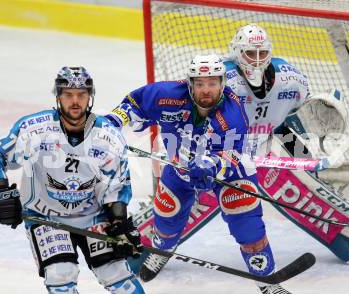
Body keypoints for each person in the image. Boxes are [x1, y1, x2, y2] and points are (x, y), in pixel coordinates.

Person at [106, 54, 292, 294]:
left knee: (248, 227)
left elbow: (235, 154)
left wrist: (213, 165)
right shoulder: (168, 95)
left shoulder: (233, 113)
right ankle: (163, 251)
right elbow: (134, 103)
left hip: (229, 174)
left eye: (212, 83)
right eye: (200, 83)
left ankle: (268, 282)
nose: (206, 90)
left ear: (222, 84)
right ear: (190, 83)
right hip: (180, 168)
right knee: (166, 217)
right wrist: (111, 122)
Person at [0, 67, 146, 294]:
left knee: (117, 275)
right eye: (68, 94)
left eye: (81, 94)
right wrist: (1, 193)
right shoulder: (33, 130)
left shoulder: (109, 136)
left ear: (90, 96)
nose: (75, 101)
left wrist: (118, 220)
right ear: (58, 97)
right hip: (45, 216)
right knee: (60, 274)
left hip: (93, 215)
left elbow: (116, 184)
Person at [226, 23, 349, 264]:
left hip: (269, 140)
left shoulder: (290, 77)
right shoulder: (220, 79)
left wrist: (311, 152)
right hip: (226, 147)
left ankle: (348, 235)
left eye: (262, 53)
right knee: (196, 192)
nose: (256, 61)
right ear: (236, 53)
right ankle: (153, 240)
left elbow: (295, 120)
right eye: (250, 53)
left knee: (299, 185)